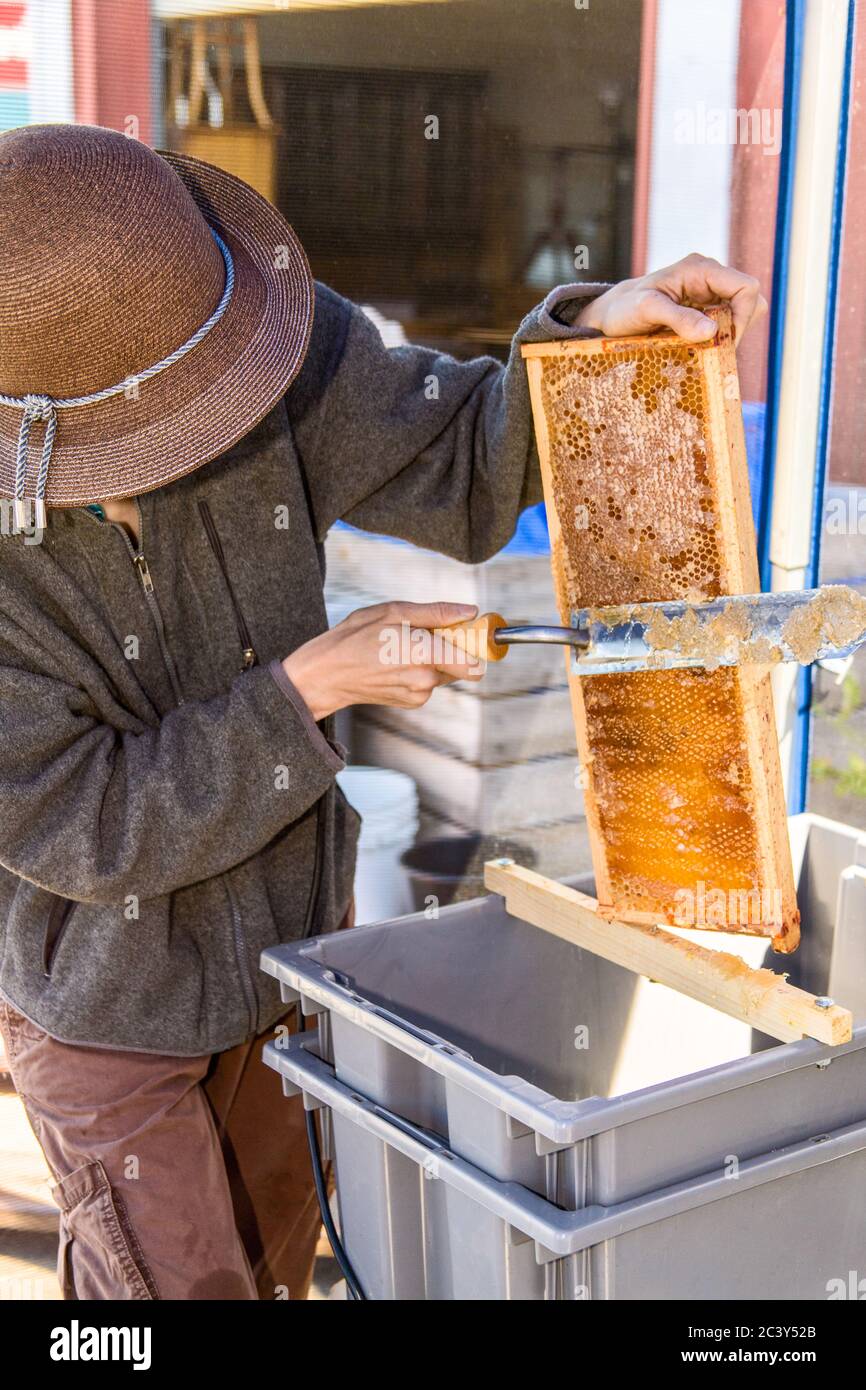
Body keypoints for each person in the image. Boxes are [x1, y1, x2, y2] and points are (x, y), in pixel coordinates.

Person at [0, 123, 766, 1301]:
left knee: (276, 1274)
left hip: (290, 956)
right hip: (102, 1011)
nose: (220, 419)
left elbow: (462, 454)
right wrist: (311, 684)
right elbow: (81, 824)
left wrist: (581, 340)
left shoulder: (261, 334)